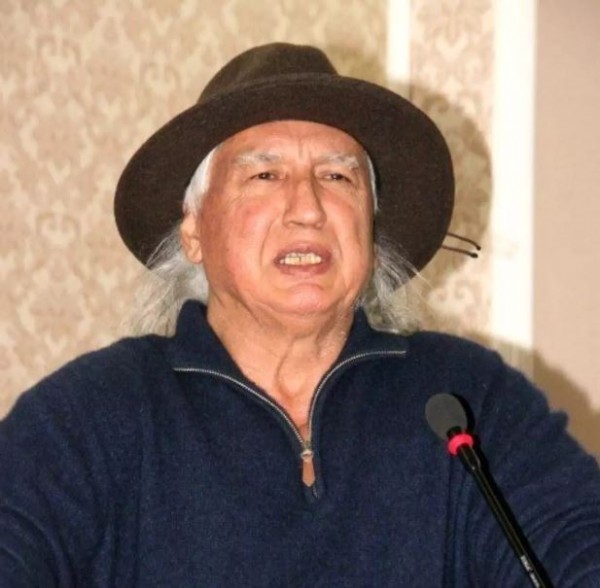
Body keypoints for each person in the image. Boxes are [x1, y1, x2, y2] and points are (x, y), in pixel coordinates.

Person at [1, 43, 599, 587]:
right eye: (265, 175)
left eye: (337, 176)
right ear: (194, 230)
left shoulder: (469, 400)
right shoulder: (88, 416)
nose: (308, 208)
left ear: (370, 228)